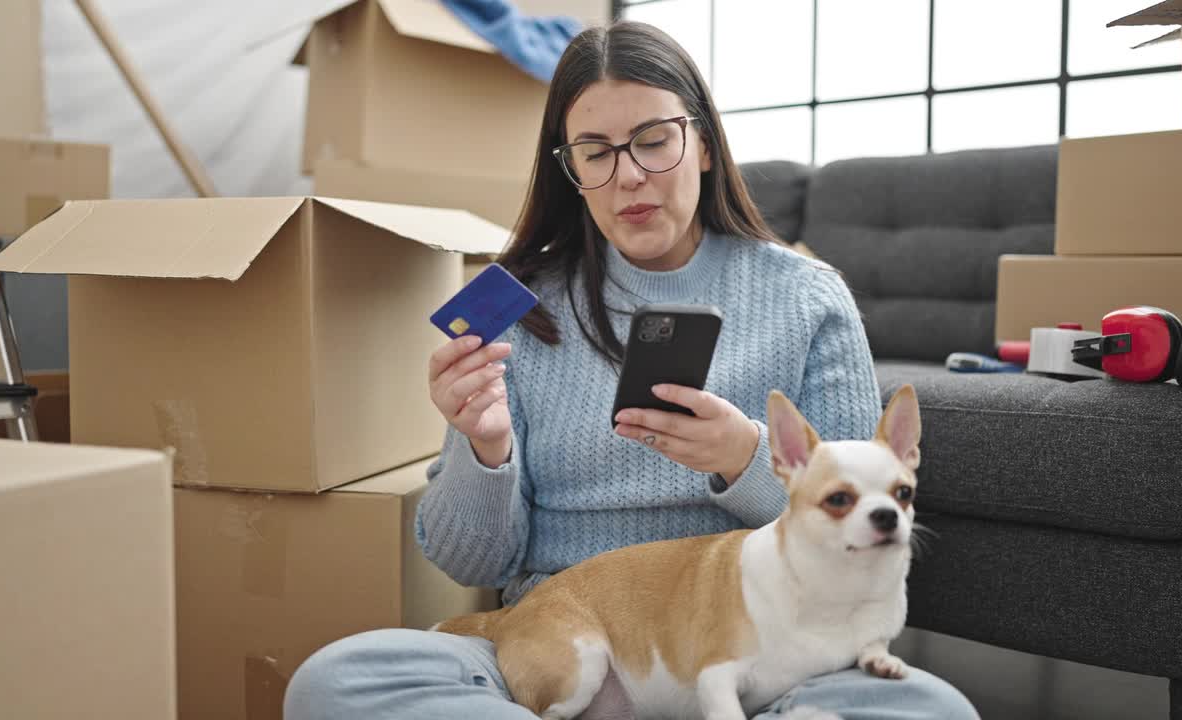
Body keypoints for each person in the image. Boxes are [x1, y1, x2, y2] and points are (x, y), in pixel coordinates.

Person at [284, 20, 979, 720]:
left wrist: (746, 461)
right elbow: (472, 566)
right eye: (596, 153)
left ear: (702, 143)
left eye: (653, 141)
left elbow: (858, 536)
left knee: (934, 711)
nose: (629, 177)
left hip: (767, 653)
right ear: (572, 172)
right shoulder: (526, 305)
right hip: (563, 637)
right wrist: (483, 449)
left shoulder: (810, 298)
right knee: (333, 680)